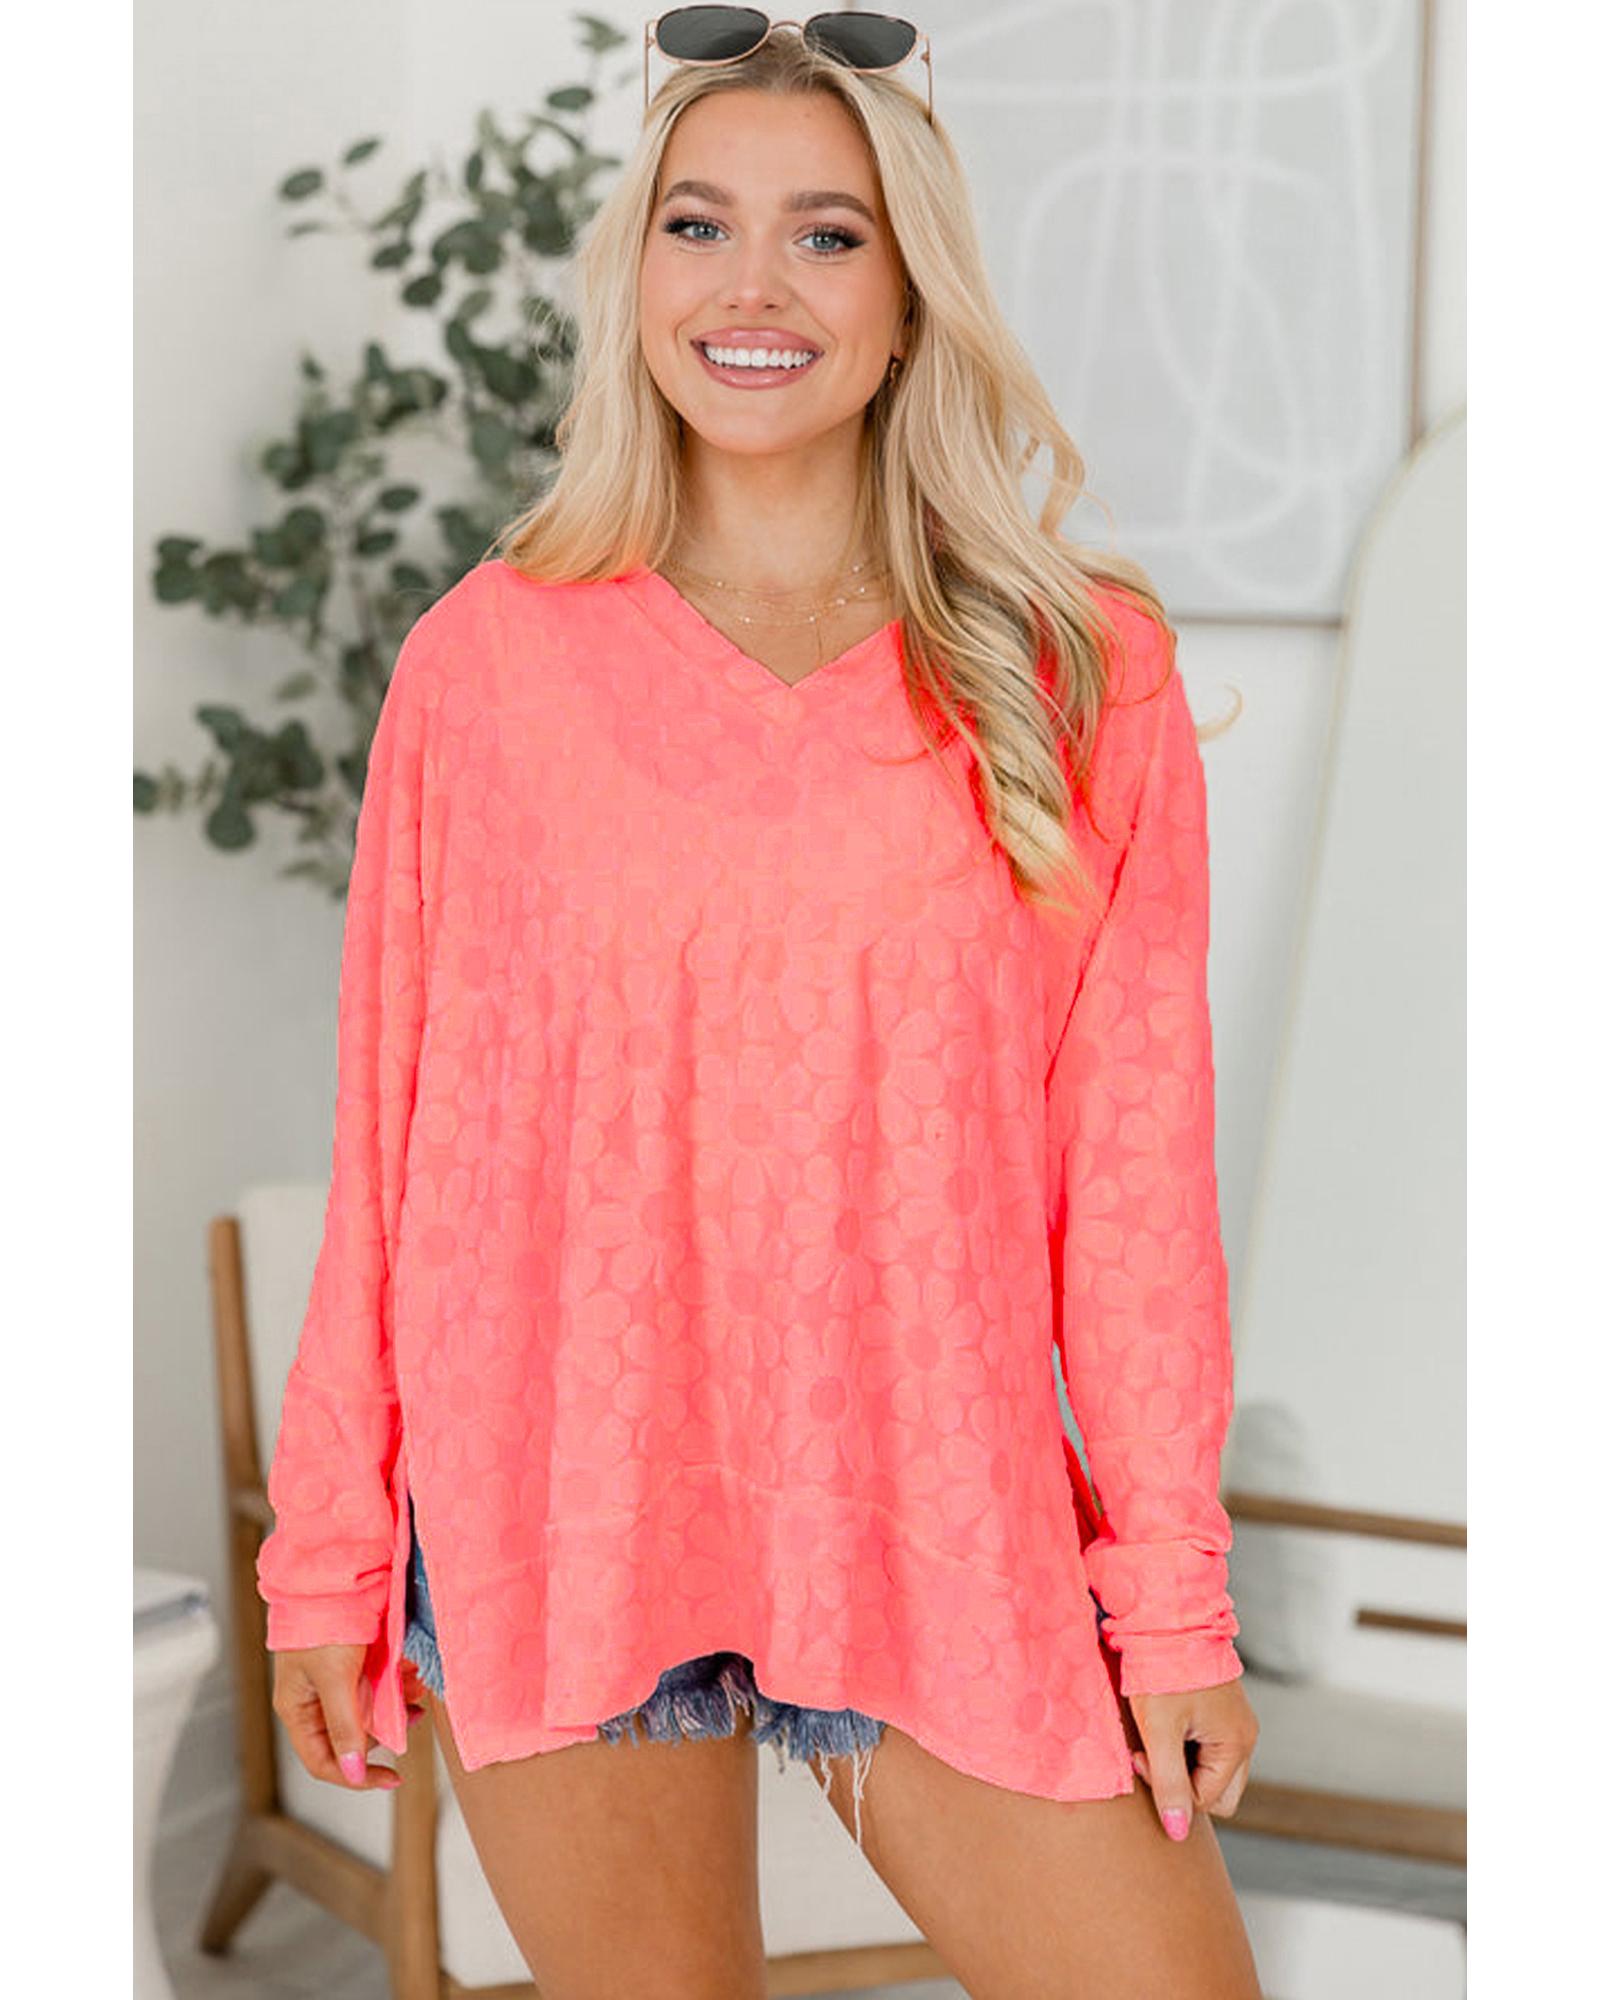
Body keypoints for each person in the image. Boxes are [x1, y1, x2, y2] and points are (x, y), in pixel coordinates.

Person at [257, 15, 1263, 1998]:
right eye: (698, 223)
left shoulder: (1077, 668)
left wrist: (1168, 1602)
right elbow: (392, 1145)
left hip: (929, 1502)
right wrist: (330, 1552)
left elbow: (1135, 1191)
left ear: (909, 297)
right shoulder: (486, 666)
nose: (752, 285)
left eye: (826, 234)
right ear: (635, 275)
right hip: (563, 1491)